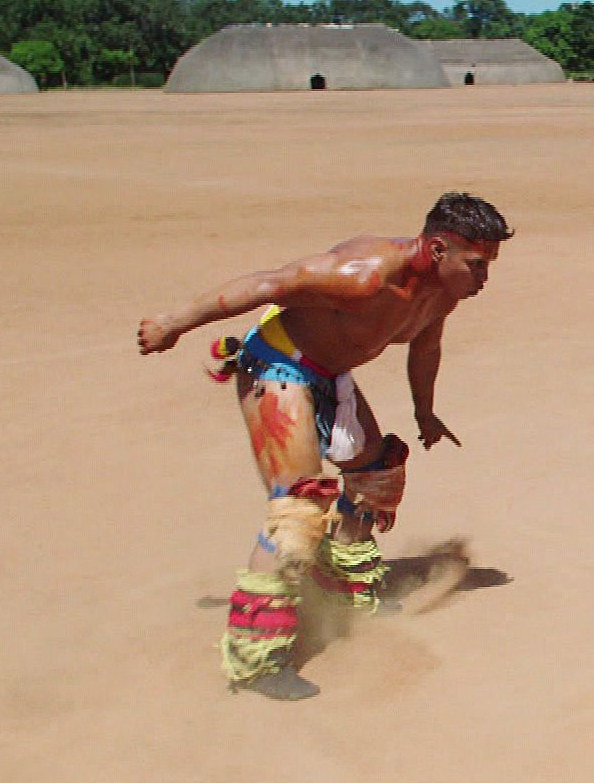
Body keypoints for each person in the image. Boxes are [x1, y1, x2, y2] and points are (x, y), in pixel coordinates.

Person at [136, 193, 514, 699]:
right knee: (298, 511)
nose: (484, 279)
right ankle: (256, 657)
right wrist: (173, 322)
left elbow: (427, 345)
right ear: (439, 249)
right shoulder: (365, 274)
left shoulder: (442, 293)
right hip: (279, 367)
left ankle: (344, 591)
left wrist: (425, 413)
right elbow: (268, 284)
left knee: (377, 476)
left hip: (330, 374)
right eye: (477, 264)